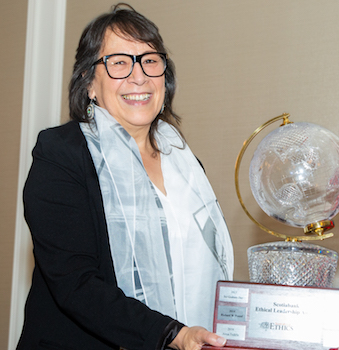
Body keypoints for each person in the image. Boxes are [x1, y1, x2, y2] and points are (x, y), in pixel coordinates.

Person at [17, 4, 234, 350]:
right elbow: (76, 283)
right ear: (89, 83)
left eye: (150, 60)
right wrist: (171, 335)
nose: (139, 76)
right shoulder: (61, 154)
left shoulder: (186, 164)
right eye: (119, 62)